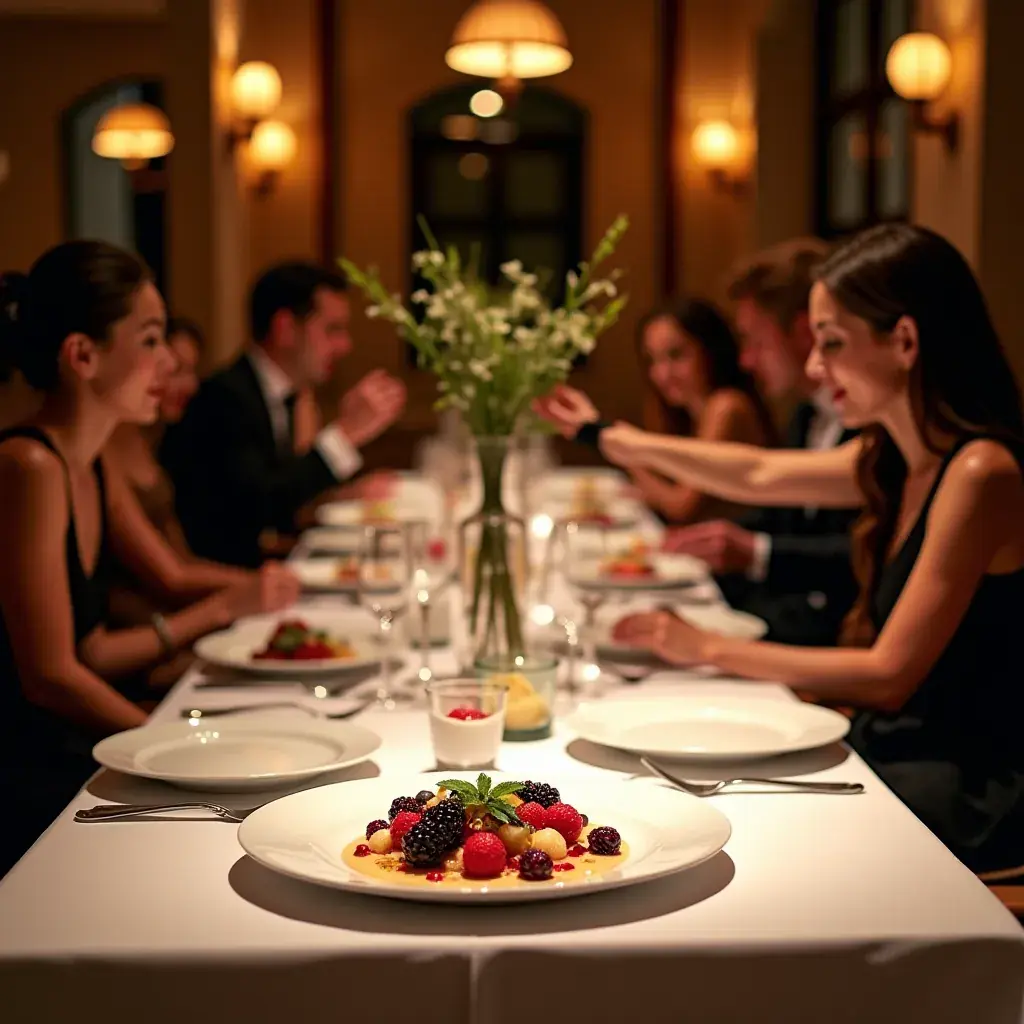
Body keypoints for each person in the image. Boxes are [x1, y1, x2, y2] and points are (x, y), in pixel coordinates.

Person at [597, 224, 1024, 875]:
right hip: (892, 747)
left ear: (905, 341)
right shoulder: (889, 456)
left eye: (831, 343)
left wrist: (704, 646)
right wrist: (611, 436)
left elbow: (887, 675)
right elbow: (756, 473)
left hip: (962, 783)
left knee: (735, 830)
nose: (815, 367)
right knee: (672, 782)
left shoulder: (980, 473)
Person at [0, 241, 298, 876]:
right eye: (152, 340)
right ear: (82, 355)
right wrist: (172, 747)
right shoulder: (28, 464)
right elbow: (50, 674)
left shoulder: (94, 456)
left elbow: (170, 574)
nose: (169, 363)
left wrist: (268, 587)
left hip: (84, 738)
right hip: (35, 775)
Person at [540, 238, 859, 645]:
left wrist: (604, 436)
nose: (746, 360)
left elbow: (755, 477)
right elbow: (770, 501)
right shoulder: (808, 416)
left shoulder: (875, 435)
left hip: (821, 634)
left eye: (754, 339)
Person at [160, 261, 407, 567]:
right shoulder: (225, 396)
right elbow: (259, 506)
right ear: (286, 328)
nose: (345, 346)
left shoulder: (287, 396)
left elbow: (290, 493)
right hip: (228, 581)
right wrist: (345, 434)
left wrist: (346, 490)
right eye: (333, 330)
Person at [628, 298, 776, 523]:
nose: (662, 374)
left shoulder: (726, 406)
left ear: (709, 350)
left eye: (676, 355)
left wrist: (630, 455)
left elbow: (680, 507)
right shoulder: (683, 411)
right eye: (652, 361)